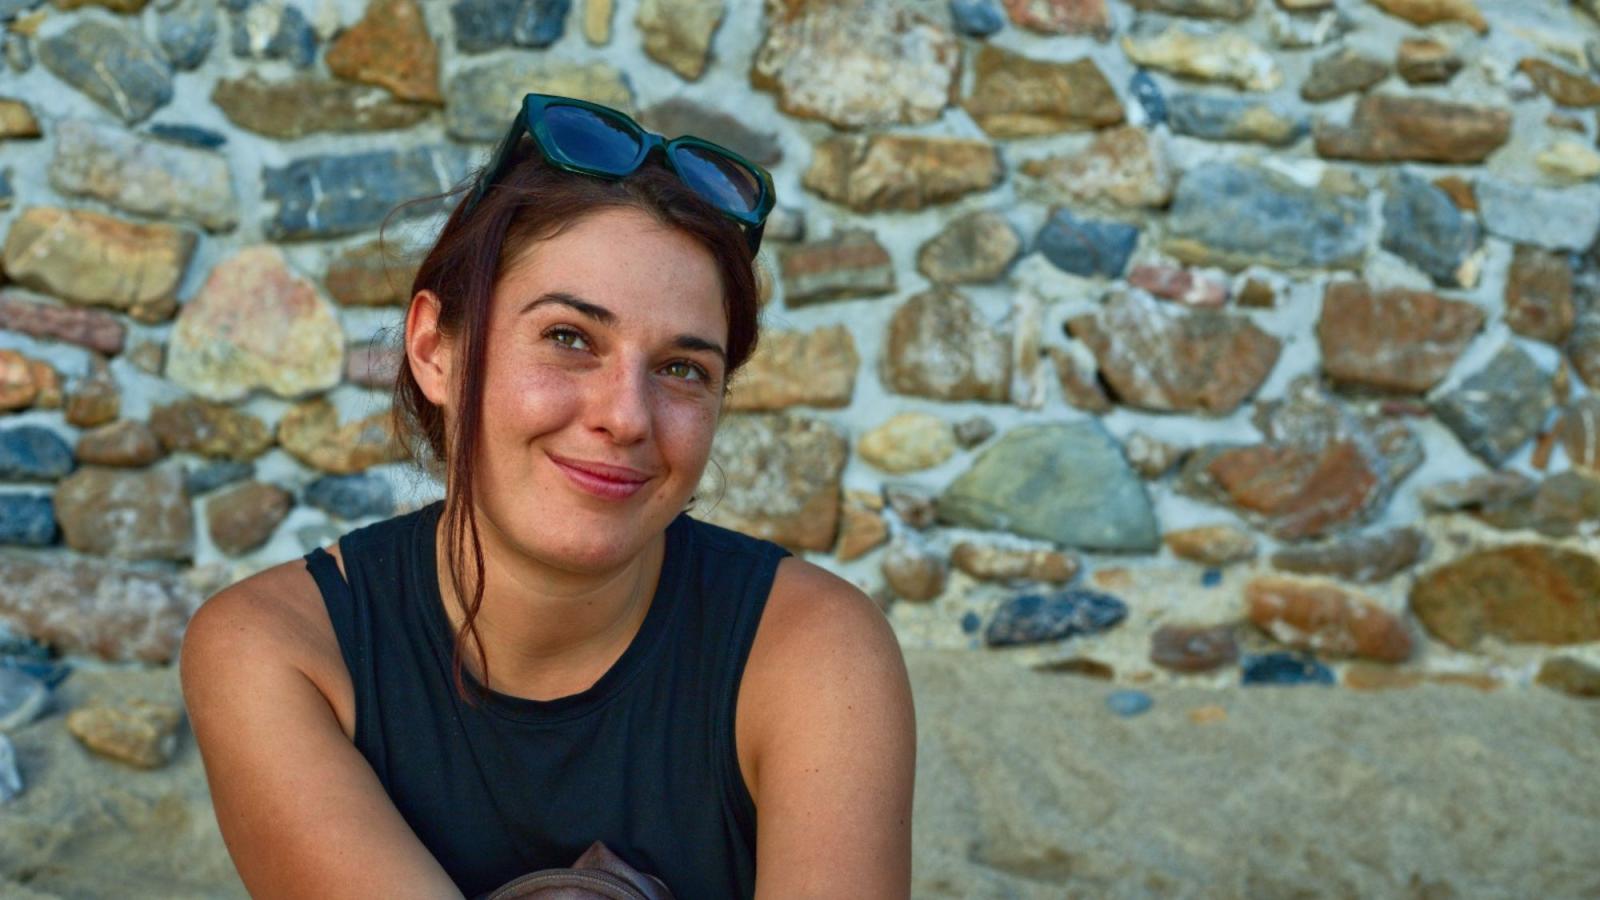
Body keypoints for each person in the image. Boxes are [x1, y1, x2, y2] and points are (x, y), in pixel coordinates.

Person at [180, 93, 916, 899]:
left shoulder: (815, 654)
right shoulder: (277, 652)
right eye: (569, 338)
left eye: (682, 369)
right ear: (434, 350)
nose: (627, 416)